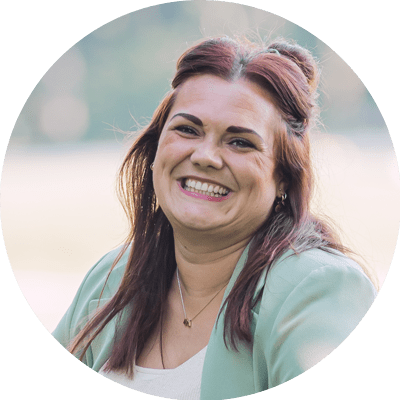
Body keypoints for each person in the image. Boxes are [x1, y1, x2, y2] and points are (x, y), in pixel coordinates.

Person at [52, 36, 377, 400]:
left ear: (283, 177)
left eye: (240, 142)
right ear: (156, 150)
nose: (205, 156)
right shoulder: (110, 280)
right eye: (188, 130)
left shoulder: (318, 290)